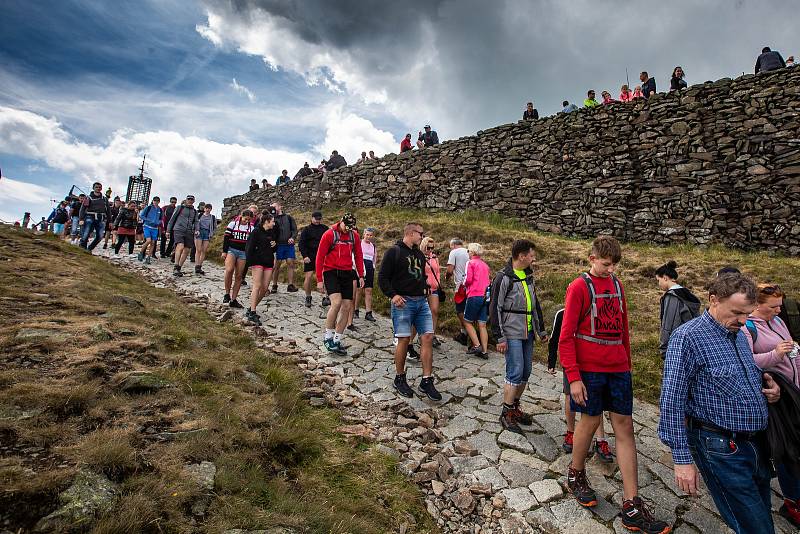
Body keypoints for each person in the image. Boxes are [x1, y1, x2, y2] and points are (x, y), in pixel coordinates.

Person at [561, 236, 668, 533]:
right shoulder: (579, 287)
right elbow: (566, 336)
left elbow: (623, 329)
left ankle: (632, 503)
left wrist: (628, 365)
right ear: (592, 258)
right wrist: (573, 377)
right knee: (590, 420)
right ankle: (576, 473)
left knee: (625, 426)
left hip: (618, 368)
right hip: (590, 369)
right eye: (605, 264)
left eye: (613, 265)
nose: (609, 270)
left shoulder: (618, 285)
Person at [659, 273, 781, 534]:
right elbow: (671, 400)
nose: (744, 320)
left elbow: (735, 378)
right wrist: (681, 459)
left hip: (756, 444)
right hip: (721, 448)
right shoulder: (688, 338)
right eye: (737, 312)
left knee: (761, 517)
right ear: (713, 300)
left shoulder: (738, 332)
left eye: (748, 313)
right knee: (756, 528)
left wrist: (769, 389)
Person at [741, 283, 800, 528]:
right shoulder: (748, 327)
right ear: (757, 304)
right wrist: (776, 354)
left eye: (780, 305)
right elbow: (745, 360)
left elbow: (789, 345)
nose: (778, 311)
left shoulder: (777, 321)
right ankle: (792, 502)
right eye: (772, 307)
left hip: (793, 390)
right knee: (786, 450)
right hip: (774, 396)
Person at [378, 222, 441, 401]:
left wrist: (425, 286)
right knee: (404, 339)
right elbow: (382, 277)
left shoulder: (419, 254)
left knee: (427, 336)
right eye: (420, 233)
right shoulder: (394, 252)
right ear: (411, 233)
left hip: (421, 302)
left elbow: (419, 276)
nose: (422, 236)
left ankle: (427, 380)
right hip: (403, 303)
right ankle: (399, 377)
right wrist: (393, 295)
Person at [490, 239, 548, 434]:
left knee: (526, 372)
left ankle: (514, 406)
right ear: (522, 256)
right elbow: (495, 308)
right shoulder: (503, 277)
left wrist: (541, 330)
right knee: (515, 370)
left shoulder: (528, 276)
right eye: (531, 255)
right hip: (511, 332)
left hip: (528, 332)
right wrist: (499, 337)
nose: (533, 258)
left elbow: (535, 303)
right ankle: (506, 413)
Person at [548, 308, 613, 460]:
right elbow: (555, 338)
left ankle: (600, 440)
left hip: (593, 361)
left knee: (596, 400)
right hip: (571, 360)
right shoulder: (562, 314)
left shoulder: (595, 311)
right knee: (570, 396)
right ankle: (571, 433)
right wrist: (551, 361)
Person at [316, 213, 364, 356]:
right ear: (341, 222)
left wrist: (361, 275)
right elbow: (319, 257)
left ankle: (337, 340)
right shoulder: (329, 234)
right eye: (346, 227)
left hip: (347, 272)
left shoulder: (354, 236)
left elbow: (359, 255)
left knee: (347, 306)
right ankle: (327, 337)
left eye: (351, 228)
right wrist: (319, 279)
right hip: (330, 271)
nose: (347, 230)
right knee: (336, 303)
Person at [656, 261, 701, 358]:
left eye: (658, 280)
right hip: (692, 345)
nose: (658, 284)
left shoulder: (672, 296)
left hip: (677, 346)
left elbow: (669, 324)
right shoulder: (686, 293)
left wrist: (664, 349)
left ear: (665, 278)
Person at [244, 211, 278, 325]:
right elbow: (249, 248)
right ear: (266, 221)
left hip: (268, 262)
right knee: (257, 286)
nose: (274, 223)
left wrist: (274, 246)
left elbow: (272, 248)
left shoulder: (271, 232)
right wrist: (249, 263)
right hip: (257, 261)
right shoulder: (256, 232)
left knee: (264, 289)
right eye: (272, 221)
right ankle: (253, 312)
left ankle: (251, 308)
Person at [463, 243, 491, 359]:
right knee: (482, 324)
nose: (467, 252)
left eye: (468, 250)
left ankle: (477, 345)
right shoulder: (485, 265)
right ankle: (484, 351)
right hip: (485, 296)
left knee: (467, 321)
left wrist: (463, 283)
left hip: (474, 295)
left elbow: (468, 279)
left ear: (473, 252)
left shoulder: (470, 263)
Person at [222, 209, 254, 308]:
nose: (247, 221)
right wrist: (224, 251)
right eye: (245, 219)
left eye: (249, 219)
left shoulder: (251, 228)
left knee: (239, 276)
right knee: (229, 269)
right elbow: (226, 238)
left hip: (243, 253)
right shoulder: (233, 224)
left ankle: (233, 299)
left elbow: (251, 242)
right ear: (241, 216)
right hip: (232, 249)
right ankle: (227, 293)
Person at [299, 211, 328, 308]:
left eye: (319, 219)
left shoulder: (325, 228)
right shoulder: (306, 230)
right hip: (310, 256)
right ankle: (308, 296)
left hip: (323, 256)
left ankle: (326, 297)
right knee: (309, 276)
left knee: (326, 276)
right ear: (312, 218)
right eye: (316, 219)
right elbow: (301, 244)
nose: (317, 221)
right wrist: (305, 256)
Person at [269, 202, 298, 293]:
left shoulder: (289, 217)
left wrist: (292, 238)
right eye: (272, 207)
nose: (273, 208)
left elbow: (294, 229)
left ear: (280, 206)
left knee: (290, 263)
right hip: (278, 245)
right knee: (276, 265)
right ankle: (274, 285)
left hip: (289, 245)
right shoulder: (272, 218)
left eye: (275, 206)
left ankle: (290, 285)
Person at [166, 195, 198, 277]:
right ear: (186, 200)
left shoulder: (194, 211)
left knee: (187, 250)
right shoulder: (180, 208)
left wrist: (197, 230)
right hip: (178, 229)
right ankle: (176, 266)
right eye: (189, 199)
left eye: (192, 199)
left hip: (189, 231)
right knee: (180, 246)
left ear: (194, 201)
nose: (190, 201)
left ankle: (179, 267)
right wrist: (168, 231)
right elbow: (172, 219)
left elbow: (196, 221)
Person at [446, 238, 470, 345]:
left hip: (460, 285)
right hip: (471, 286)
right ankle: (464, 333)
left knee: (459, 310)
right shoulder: (469, 251)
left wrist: (447, 278)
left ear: (454, 245)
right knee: (467, 310)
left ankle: (467, 333)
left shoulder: (454, 252)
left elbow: (450, 270)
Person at [420, 236, 443, 347]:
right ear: (423, 246)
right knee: (420, 312)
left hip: (434, 288)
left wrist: (438, 282)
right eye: (428, 248)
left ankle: (432, 334)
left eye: (432, 248)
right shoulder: (419, 257)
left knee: (434, 311)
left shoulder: (434, 257)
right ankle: (420, 334)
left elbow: (437, 271)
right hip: (423, 289)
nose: (430, 250)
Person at [79, 182, 111, 250]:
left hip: (101, 218)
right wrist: (81, 219)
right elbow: (83, 208)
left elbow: (108, 210)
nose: (98, 188)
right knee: (86, 234)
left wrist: (110, 221)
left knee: (100, 236)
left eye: (99, 187)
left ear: (101, 188)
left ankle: (89, 249)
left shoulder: (105, 199)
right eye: (96, 187)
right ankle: (82, 248)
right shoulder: (88, 198)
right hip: (89, 217)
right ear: (93, 188)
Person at [354, 227, 377, 322]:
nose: (368, 237)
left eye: (370, 235)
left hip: (370, 268)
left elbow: (374, 258)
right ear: (364, 235)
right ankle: (355, 310)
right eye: (367, 235)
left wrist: (373, 267)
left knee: (369, 290)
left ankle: (368, 313)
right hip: (360, 268)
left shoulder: (373, 246)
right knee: (359, 290)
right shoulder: (359, 243)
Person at [137, 197, 162, 264]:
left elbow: (161, 218)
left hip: (155, 228)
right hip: (147, 226)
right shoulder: (148, 207)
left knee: (153, 243)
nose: (156, 202)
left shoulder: (160, 209)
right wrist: (148, 220)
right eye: (155, 200)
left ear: (159, 201)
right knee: (148, 240)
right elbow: (141, 215)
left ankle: (148, 257)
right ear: (153, 201)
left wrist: (158, 222)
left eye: (157, 201)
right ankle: (141, 253)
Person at [194, 203, 216, 275]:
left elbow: (214, 226)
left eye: (209, 208)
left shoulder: (212, 217)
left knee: (204, 250)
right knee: (198, 250)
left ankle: (199, 266)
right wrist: (195, 231)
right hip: (199, 232)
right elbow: (195, 223)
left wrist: (212, 233)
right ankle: (197, 265)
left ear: (211, 209)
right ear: (204, 209)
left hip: (207, 233)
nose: (207, 209)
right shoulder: (200, 215)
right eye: (206, 208)